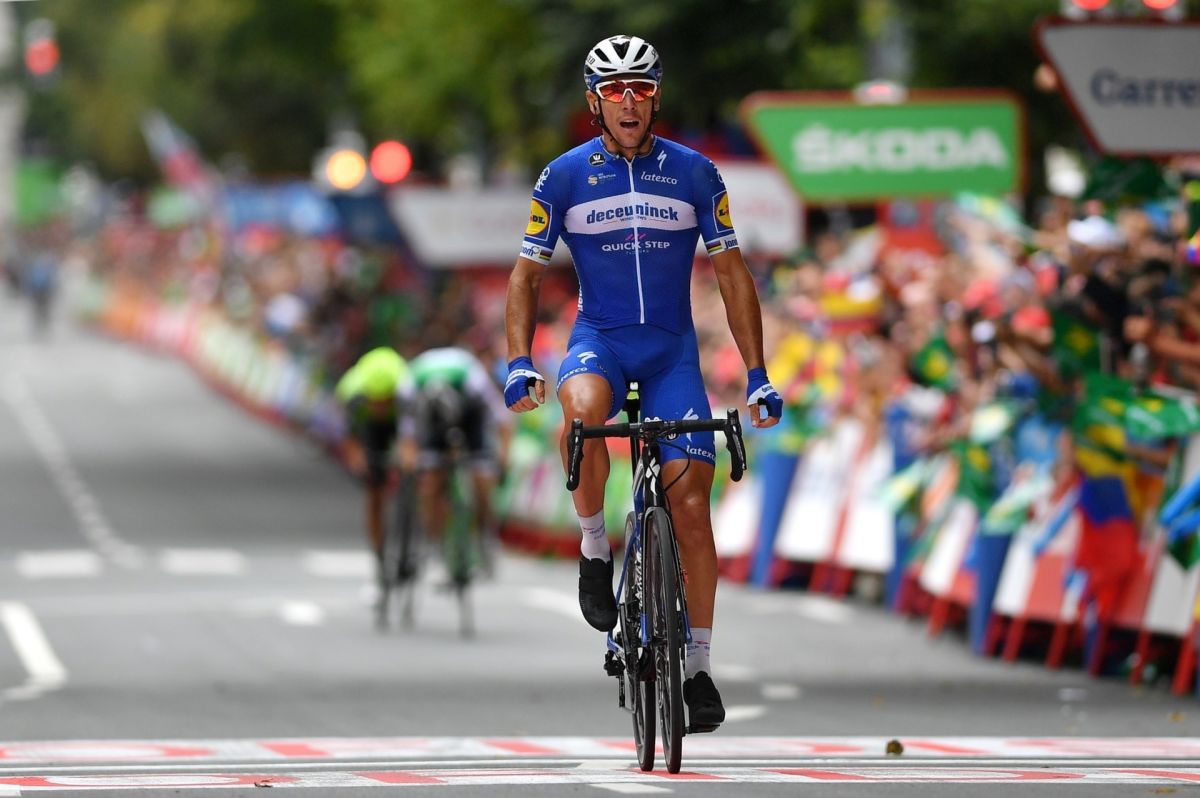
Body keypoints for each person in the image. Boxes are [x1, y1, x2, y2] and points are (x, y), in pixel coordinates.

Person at [503, 34, 782, 729]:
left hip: (670, 354)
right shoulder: (563, 176)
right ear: (595, 101)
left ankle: (698, 668)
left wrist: (757, 375)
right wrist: (518, 360)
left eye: (642, 90)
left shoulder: (695, 173)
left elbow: (731, 274)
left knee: (692, 507)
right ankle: (595, 547)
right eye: (615, 91)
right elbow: (526, 277)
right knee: (583, 411)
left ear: (656, 99)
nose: (629, 102)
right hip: (599, 341)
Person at [406, 345, 512, 578]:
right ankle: (436, 546)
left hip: (471, 421)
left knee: (481, 482)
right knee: (430, 485)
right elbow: (408, 434)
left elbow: (502, 420)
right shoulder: (410, 384)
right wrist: (414, 465)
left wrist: (503, 458)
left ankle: (485, 537)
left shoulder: (473, 381)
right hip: (432, 423)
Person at [334, 346, 412, 591]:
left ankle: (409, 539)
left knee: (412, 467)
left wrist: (407, 455)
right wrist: (358, 459)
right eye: (375, 402)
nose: (379, 407)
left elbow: (413, 436)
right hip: (370, 428)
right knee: (374, 490)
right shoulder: (352, 395)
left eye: (384, 402)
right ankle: (379, 553)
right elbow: (349, 438)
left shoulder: (407, 393)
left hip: (400, 421)